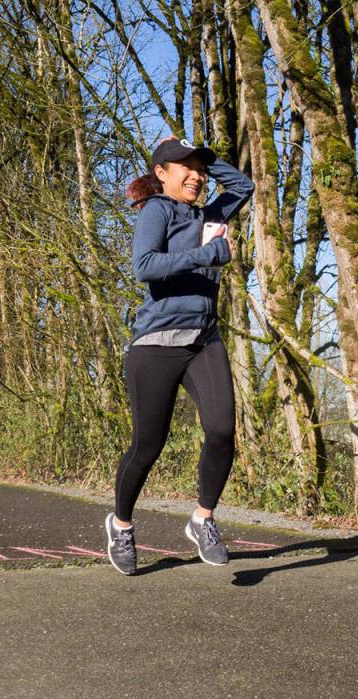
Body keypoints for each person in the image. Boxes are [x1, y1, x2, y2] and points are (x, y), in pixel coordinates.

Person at [105, 138, 254, 576]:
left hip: (203, 340)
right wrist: (208, 254)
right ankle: (121, 523)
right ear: (160, 172)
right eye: (183, 167)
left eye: (200, 169)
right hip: (155, 344)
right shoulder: (157, 210)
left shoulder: (209, 213)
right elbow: (145, 265)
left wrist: (205, 159)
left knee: (222, 430)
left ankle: (202, 518)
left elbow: (243, 186)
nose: (195, 175)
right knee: (148, 445)